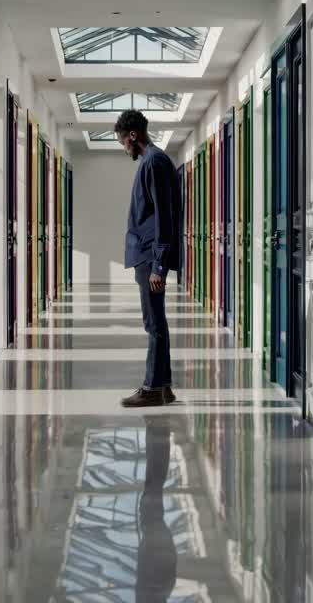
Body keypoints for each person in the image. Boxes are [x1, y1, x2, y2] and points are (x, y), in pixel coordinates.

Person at [116, 109, 181, 407]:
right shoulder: (153, 161)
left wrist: (158, 265)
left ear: (133, 135)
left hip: (149, 256)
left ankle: (152, 388)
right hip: (147, 254)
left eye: (123, 142)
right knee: (157, 322)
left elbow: (164, 217)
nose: (124, 148)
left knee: (153, 324)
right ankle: (164, 387)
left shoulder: (153, 161)